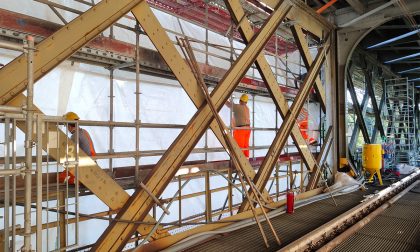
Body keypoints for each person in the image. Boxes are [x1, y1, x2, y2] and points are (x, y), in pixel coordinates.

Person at [59, 112, 96, 184]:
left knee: (61, 178)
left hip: (85, 165)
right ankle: (82, 179)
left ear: (69, 126)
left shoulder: (75, 136)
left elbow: (70, 154)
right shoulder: (84, 131)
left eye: (66, 126)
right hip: (93, 163)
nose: (67, 128)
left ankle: (81, 181)